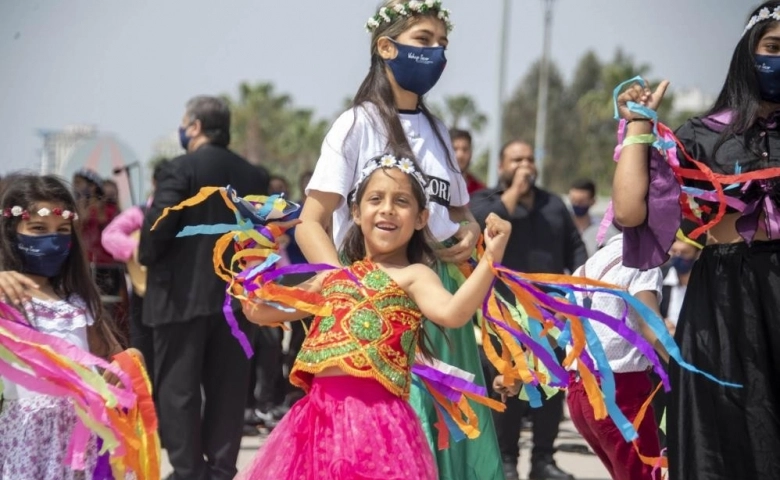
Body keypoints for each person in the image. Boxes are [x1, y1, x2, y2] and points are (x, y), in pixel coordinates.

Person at [294, 2, 503, 479]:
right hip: (381, 306)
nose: (437, 53)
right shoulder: (355, 124)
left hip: (441, 293)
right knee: (396, 437)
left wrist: (470, 232)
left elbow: (459, 212)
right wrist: (345, 289)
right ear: (386, 47)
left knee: (455, 432)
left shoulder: (437, 129)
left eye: (442, 44)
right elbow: (311, 221)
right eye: (424, 41)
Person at [237, 156, 512, 480]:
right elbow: (258, 310)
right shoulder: (332, 279)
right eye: (375, 199)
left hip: (382, 430)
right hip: (316, 426)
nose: (387, 209)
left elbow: (454, 313)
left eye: (402, 201)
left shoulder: (414, 276)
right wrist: (252, 253)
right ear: (355, 212)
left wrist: (492, 256)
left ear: (422, 217)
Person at [611, 3, 780, 478]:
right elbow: (630, 212)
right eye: (773, 47)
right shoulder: (703, 136)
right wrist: (640, 125)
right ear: (749, 53)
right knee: (726, 434)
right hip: (726, 298)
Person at [139, 95, 270, 480]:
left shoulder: (180, 169)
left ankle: (187, 471)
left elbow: (157, 225)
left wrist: (147, 255)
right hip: (235, 299)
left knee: (177, 391)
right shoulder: (254, 175)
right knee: (228, 391)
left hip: (179, 298)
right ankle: (220, 469)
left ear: (194, 127)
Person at [0, 174, 135, 479]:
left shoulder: (77, 303)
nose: (52, 239)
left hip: (77, 444)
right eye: (37, 229)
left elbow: (109, 363)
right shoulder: (3, 301)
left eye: (62, 231)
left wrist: (127, 364)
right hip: (23, 443)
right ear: (12, 231)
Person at [471, 139, 586, 480]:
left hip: (548, 319)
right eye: (516, 160)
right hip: (502, 316)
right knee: (508, 392)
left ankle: (543, 460)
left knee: (549, 392)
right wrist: (514, 193)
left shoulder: (553, 205)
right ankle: (507, 462)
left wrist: (576, 295)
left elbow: (576, 250)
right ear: (502, 167)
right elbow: (481, 229)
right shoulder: (487, 202)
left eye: (529, 160)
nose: (525, 166)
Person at [567, 233, 668, 480]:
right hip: (619, 392)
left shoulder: (590, 263)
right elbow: (651, 326)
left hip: (580, 390)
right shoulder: (642, 260)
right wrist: (687, 367)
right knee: (645, 475)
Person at [101, 159, 170, 392]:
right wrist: (137, 250)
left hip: (176, 297)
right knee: (144, 352)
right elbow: (109, 235)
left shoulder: (186, 214)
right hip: (145, 295)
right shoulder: (140, 213)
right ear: (155, 184)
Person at [568, 179, 619, 257]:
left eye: (581, 201)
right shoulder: (564, 225)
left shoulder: (604, 230)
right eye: (573, 200)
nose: (576, 204)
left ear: (592, 201)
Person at [451, 128, 485, 194]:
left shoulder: (480, 190)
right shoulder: (435, 186)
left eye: (465, 149)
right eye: (454, 149)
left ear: (471, 154)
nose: (460, 155)